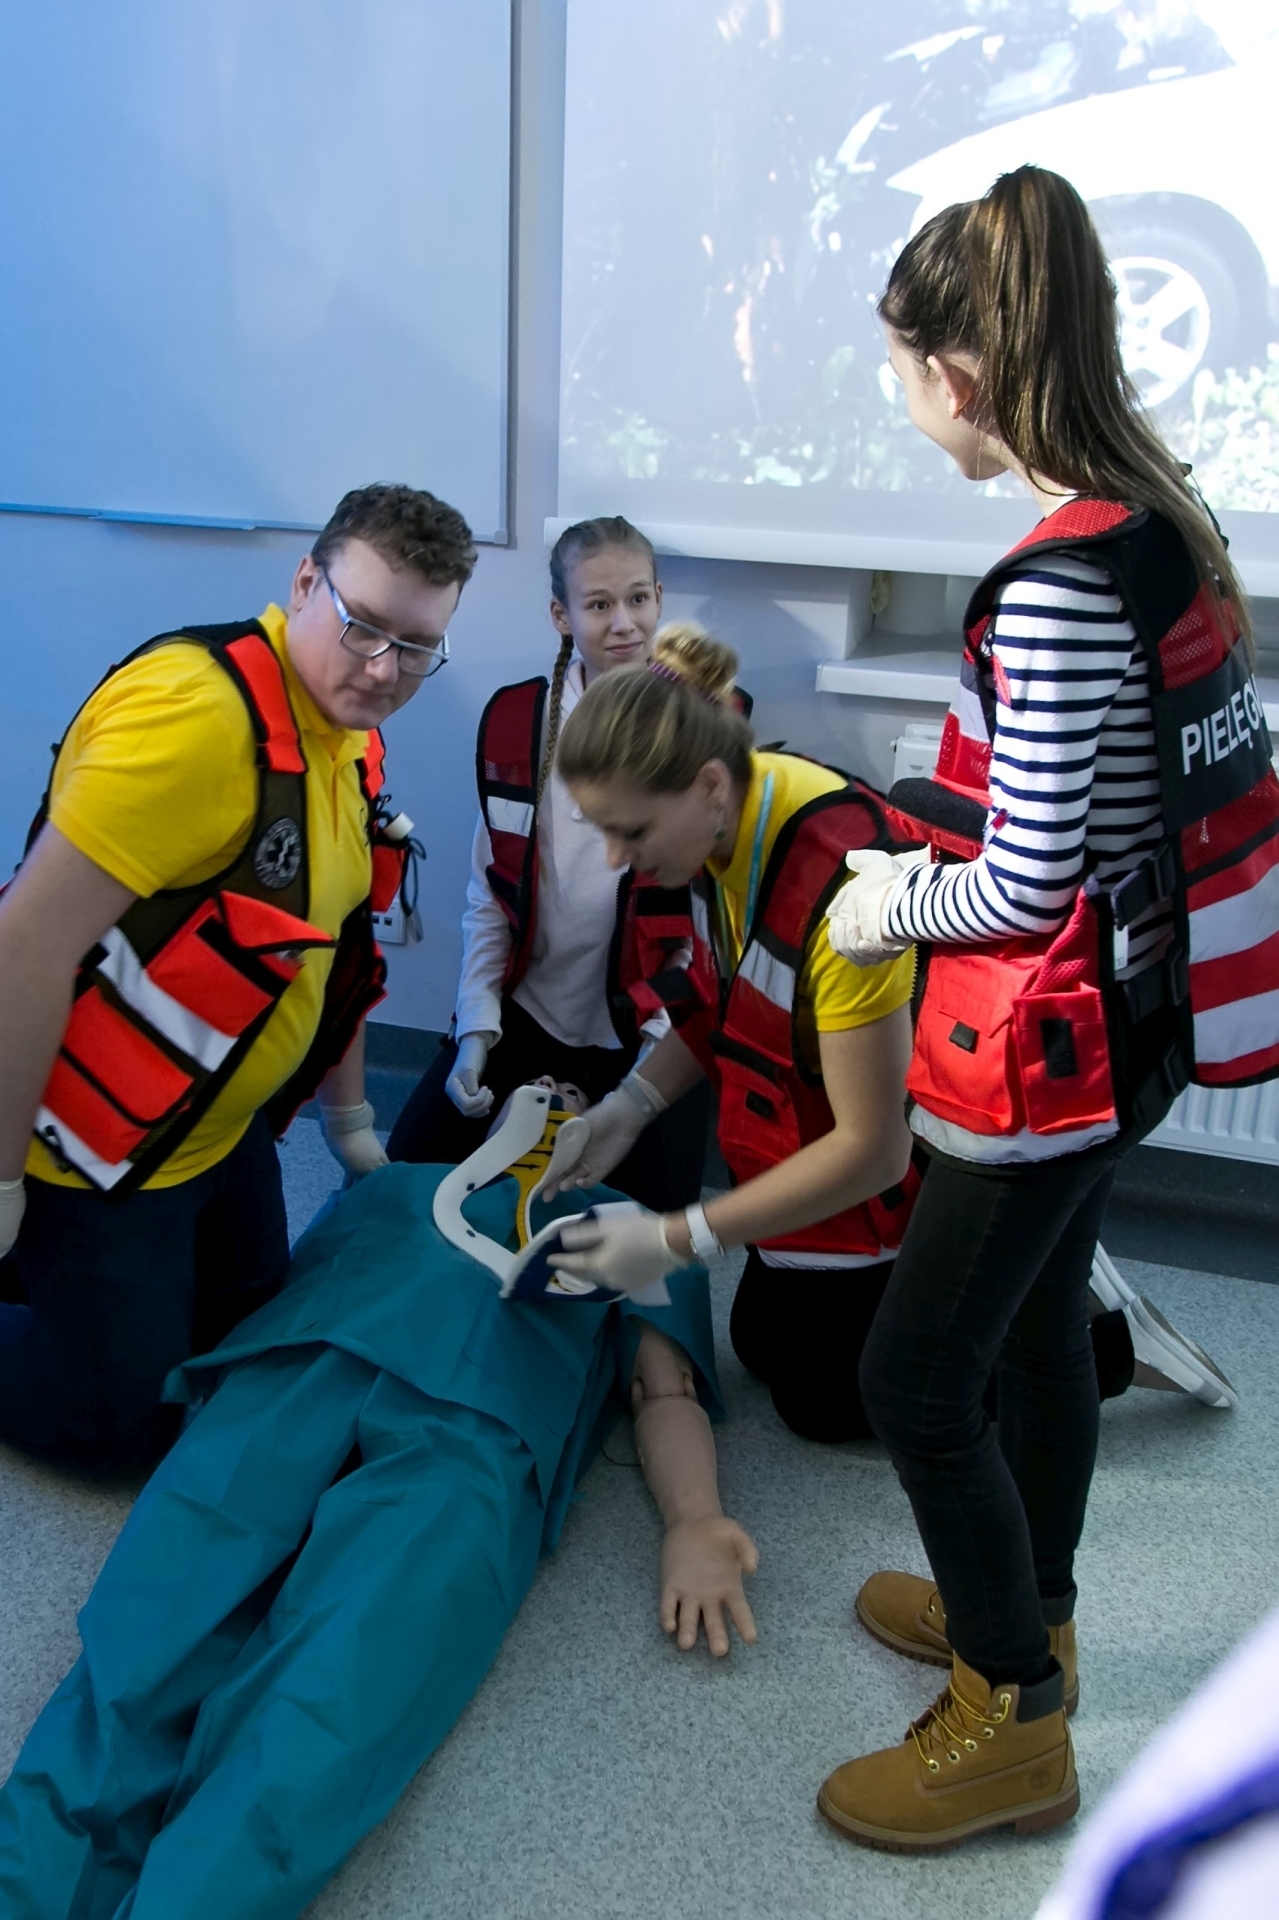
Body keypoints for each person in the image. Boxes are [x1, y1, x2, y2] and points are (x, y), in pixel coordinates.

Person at [816, 165, 1276, 1850]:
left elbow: (1020, 887)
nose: (899, 399)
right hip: (1136, 1026)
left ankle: (1008, 1714)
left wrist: (880, 900)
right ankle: (1030, 1608)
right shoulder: (1154, 520)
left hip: (1047, 1050)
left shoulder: (1057, 583)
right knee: (1028, 1334)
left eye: (897, 368)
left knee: (911, 1379)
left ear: (956, 371)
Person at [0, 1085, 757, 1920]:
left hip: (476, 1424)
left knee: (329, 1699)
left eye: (577, 1088)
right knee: (139, 1654)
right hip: (294, 1371)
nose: (551, 1092)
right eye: (536, 1079)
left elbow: (663, 1389)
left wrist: (693, 1516)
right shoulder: (396, 1182)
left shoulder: (633, 1227)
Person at [0, 483, 475, 1470]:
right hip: (93, 1148)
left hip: (215, 1128)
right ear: (303, 584)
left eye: (416, 647)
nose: (383, 669)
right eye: (362, 626)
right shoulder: (193, 725)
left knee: (245, 1343)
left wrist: (350, 1124)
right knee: (118, 1433)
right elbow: (22, 949)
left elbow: (339, 946)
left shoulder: (345, 730)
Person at [537, 622, 921, 1445]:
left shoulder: (843, 895)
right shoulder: (724, 827)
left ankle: (1061, 1325)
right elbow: (727, 1003)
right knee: (758, 1344)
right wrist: (629, 1105)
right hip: (824, 1158)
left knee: (822, 1407)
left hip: (903, 1182)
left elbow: (875, 1151)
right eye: (602, 831)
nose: (614, 859)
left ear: (709, 786)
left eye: (630, 832)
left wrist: (674, 1238)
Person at [388, 514, 711, 1214]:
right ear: (561, 616)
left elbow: (702, 939)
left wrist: (641, 1084)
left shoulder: (706, 731)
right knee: (400, 1181)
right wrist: (475, 1032)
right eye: (598, 604)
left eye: (637, 598)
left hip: (648, 1029)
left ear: (659, 599)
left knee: (649, 1231)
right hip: (526, 1015)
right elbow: (489, 899)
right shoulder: (519, 726)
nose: (623, 623)